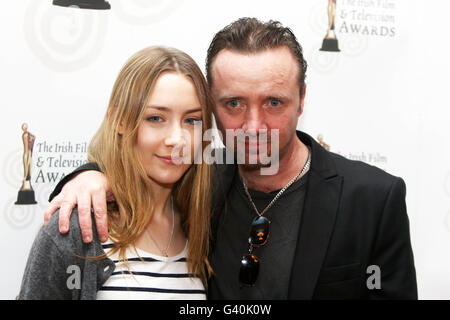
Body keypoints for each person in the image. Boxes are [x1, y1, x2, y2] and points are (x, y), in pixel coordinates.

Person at [43, 18, 417, 299]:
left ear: (302, 99)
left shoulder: (372, 199)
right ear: (210, 105)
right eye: (234, 103)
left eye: (274, 102)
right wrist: (91, 174)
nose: (253, 126)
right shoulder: (198, 183)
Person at [19, 46, 214, 299]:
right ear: (119, 120)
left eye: (192, 121)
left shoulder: (203, 223)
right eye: (156, 118)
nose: (177, 139)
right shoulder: (76, 230)